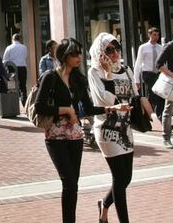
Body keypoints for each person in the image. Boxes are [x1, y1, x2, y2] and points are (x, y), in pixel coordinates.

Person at [43, 38, 101, 223]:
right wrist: (65, 110)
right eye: (74, 54)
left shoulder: (78, 80)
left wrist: (113, 108)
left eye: (79, 54)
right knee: (68, 181)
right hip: (55, 137)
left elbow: (89, 109)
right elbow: (39, 107)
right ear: (64, 56)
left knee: (72, 185)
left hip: (76, 136)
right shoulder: (50, 77)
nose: (79, 58)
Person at [88, 34, 141, 223]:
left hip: (126, 128)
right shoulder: (95, 71)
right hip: (107, 129)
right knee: (119, 178)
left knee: (127, 178)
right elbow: (105, 99)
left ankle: (104, 204)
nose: (115, 53)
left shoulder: (126, 69)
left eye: (117, 48)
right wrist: (108, 73)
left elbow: (134, 94)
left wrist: (142, 101)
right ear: (101, 51)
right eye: (109, 49)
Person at [134, 27, 165, 118]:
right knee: (153, 95)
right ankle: (150, 117)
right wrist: (136, 80)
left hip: (159, 74)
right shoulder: (143, 47)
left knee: (159, 96)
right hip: (148, 74)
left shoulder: (161, 48)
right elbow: (138, 63)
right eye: (154, 35)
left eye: (158, 35)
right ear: (149, 35)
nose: (156, 37)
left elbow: (164, 63)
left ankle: (157, 117)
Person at [2, 33, 29, 106]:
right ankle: (24, 102)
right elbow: (25, 56)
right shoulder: (24, 47)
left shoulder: (9, 47)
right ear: (19, 39)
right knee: (23, 86)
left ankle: (13, 102)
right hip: (22, 67)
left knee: (12, 85)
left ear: (12, 39)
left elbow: (5, 60)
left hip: (12, 68)